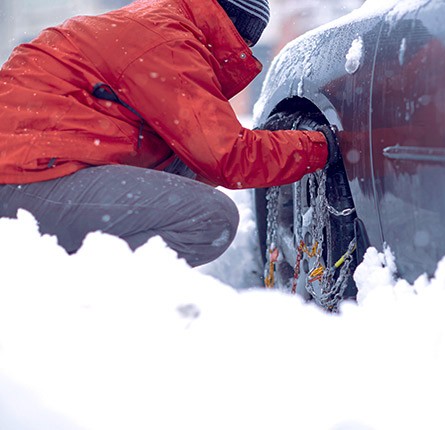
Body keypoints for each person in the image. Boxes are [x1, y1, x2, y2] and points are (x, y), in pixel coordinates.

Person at [0, 0, 339, 267]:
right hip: (24, 178)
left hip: (30, 170)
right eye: (247, 40)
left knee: (187, 167)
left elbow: (204, 157)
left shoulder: (153, 23)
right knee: (210, 220)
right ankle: (77, 289)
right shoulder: (169, 42)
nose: (247, 49)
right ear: (234, 28)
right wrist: (326, 146)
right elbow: (228, 157)